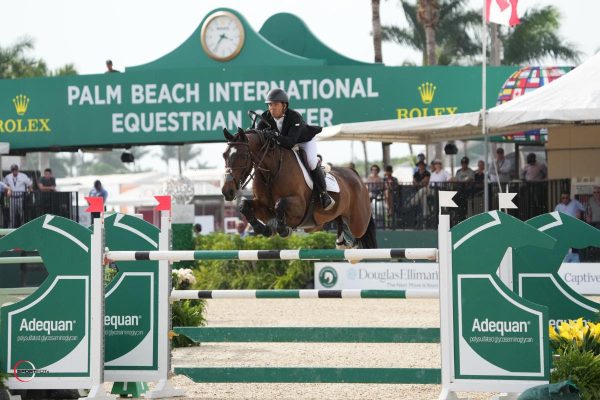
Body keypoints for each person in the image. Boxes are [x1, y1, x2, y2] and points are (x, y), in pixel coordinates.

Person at [254, 88, 335, 210]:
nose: (272, 108)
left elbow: (290, 143)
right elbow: (258, 135)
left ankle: (323, 194)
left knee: (312, 162)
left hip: (304, 141)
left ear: (284, 105)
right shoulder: (265, 117)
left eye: (275, 104)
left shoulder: (294, 117)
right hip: (283, 143)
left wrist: (275, 135)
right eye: (270, 104)